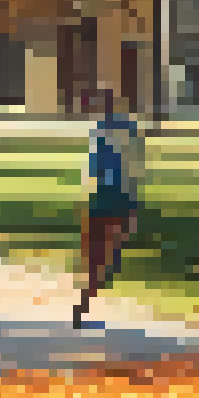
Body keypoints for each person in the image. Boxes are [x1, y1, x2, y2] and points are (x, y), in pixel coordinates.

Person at [73, 96, 145, 329]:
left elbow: (95, 171)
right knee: (109, 256)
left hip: (101, 200)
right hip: (119, 202)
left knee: (97, 258)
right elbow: (134, 172)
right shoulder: (128, 133)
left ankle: (86, 298)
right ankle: (87, 296)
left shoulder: (101, 132)